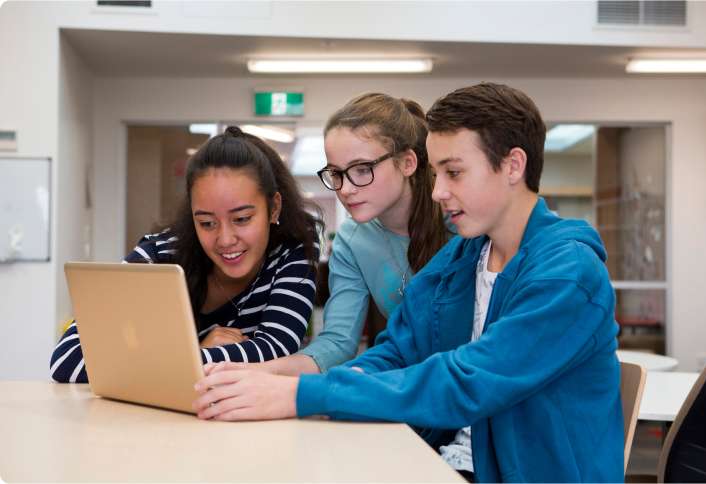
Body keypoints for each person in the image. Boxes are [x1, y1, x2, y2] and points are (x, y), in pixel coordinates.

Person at [193, 83, 624, 483]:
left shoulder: (567, 273)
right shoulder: (465, 255)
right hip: (448, 461)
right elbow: (398, 352)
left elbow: (466, 382)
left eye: (454, 172)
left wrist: (301, 395)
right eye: (437, 174)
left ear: (513, 165)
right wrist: (287, 389)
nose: (437, 193)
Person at [50, 126, 321, 383]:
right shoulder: (158, 255)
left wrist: (158, 361)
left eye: (242, 219)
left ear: (273, 208)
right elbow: (67, 360)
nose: (225, 239)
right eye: (206, 223)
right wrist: (195, 349)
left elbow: (276, 350)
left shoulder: (292, 251)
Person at [236, 92, 449, 376]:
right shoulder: (352, 238)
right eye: (336, 173)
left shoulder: (459, 220)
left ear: (408, 163)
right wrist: (254, 374)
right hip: (418, 388)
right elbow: (337, 343)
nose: (345, 189)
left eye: (362, 170)